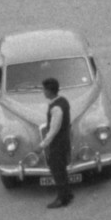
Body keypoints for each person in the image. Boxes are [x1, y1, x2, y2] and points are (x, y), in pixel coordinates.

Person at [40, 77, 72, 208]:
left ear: (49, 91)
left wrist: (42, 145)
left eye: (44, 89)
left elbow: (54, 130)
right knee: (62, 169)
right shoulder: (63, 101)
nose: (43, 92)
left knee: (57, 170)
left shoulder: (56, 108)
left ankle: (62, 198)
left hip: (57, 143)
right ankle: (67, 193)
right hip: (65, 140)